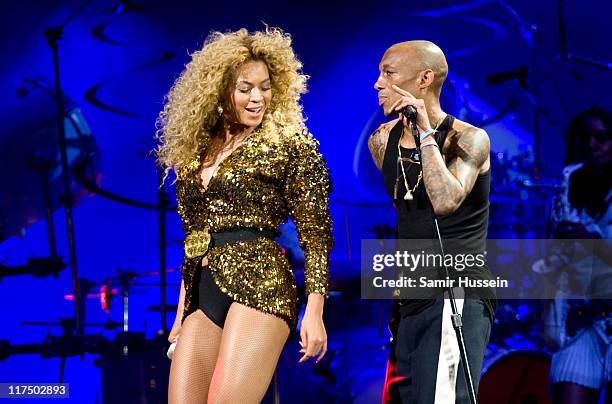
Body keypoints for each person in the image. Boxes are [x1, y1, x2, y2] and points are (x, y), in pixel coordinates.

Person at [155, 28, 333, 403]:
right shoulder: (195, 152)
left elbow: (316, 236)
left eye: (265, 87)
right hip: (204, 291)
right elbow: (194, 239)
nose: (257, 98)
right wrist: (180, 312)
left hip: (262, 284)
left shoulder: (290, 144)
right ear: (220, 91)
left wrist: (314, 311)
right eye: (245, 88)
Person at [368, 40, 495, 403]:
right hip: (410, 297)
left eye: (388, 73)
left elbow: (445, 201)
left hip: (456, 293)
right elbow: (412, 213)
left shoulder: (469, 139)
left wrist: (425, 132)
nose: (377, 83)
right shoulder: (380, 141)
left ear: (424, 78)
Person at [543, 107, 612, 404]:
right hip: (580, 324)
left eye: (601, 138)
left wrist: (592, 241)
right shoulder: (564, 196)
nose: (592, 145)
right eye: (583, 139)